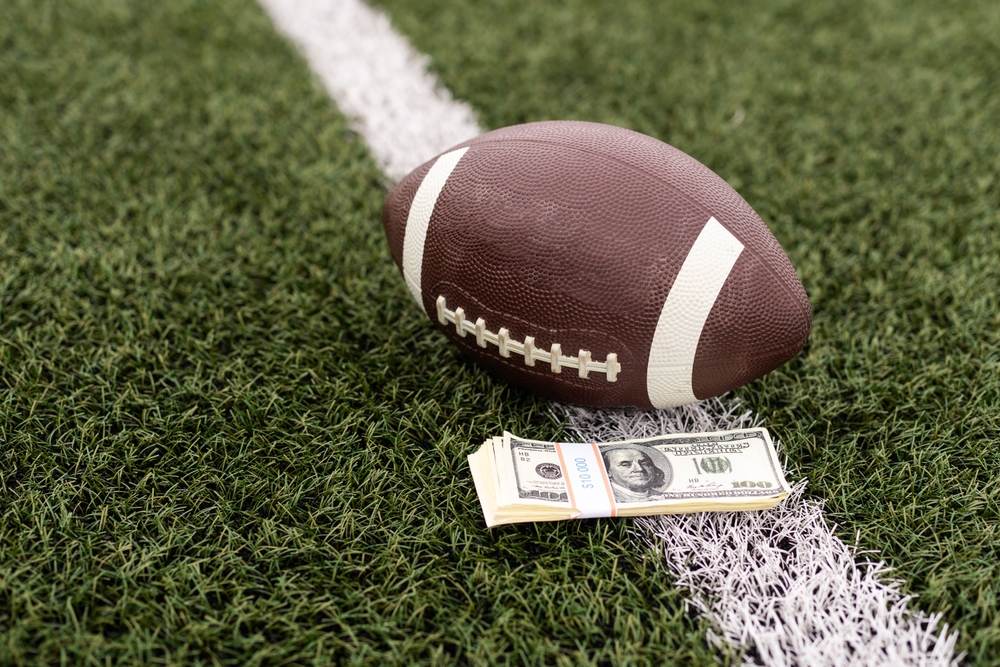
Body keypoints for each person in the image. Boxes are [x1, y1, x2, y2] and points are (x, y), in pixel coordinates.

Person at [602, 447, 669, 503]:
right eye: (625, 465)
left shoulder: (660, 496)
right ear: (608, 471)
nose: (639, 469)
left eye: (644, 463)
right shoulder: (604, 498)